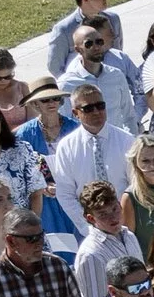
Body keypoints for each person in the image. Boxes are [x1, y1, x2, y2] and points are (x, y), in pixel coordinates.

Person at [49, 87, 134, 230]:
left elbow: (135, 186)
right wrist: (88, 226)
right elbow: (65, 193)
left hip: (127, 224)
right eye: (88, 108)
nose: (96, 112)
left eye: (100, 106)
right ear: (76, 113)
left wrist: (125, 220)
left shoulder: (126, 141)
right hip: (88, 228)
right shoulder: (66, 147)